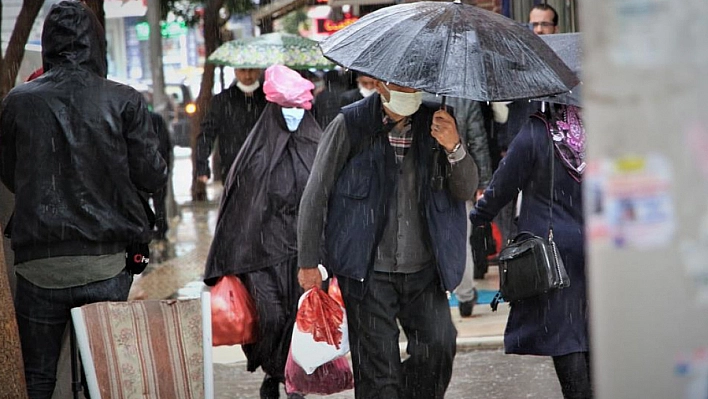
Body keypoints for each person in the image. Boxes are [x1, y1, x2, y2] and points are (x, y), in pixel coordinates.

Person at [0, 2, 167, 398]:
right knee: (104, 372)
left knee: (37, 376)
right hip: (107, 264)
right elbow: (151, 175)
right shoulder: (123, 99)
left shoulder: (18, 102)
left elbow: (10, 174)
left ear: (48, 44)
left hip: (39, 265)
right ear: (97, 43)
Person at [297, 79, 478, 399]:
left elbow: (464, 190)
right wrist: (308, 261)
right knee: (379, 372)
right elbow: (316, 193)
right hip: (367, 270)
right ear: (381, 85)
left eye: (416, 85)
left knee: (439, 347)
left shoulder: (438, 120)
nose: (412, 91)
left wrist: (454, 146)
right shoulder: (350, 123)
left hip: (423, 269)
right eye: (403, 85)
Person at [203, 65, 322, 399]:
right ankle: (276, 370)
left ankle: (291, 378)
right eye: (288, 110)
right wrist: (228, 259)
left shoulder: (318, 146)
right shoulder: (256, 153)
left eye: (298, 110)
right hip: (260, 252)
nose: (294, 116)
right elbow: (240, 208)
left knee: (299, 319)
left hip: (304, 252)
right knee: (270, 317)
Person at [469, 105, 590, 399]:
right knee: (591, 334)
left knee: (566, 338)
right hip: (597, 250)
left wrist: (479, 218)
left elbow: (502, 187)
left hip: (553, 253)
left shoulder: (537, 132)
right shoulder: (600, 132)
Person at [422, 94, 492, 316]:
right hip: (459, 175)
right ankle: (465, 293)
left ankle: (435, 294)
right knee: (460, 242)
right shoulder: (465, 99)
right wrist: (483, 183)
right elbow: (478, 141)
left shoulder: (416, 97)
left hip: (427, 181)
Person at [196, 67, 267, 184]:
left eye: (251, 70)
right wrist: (202, 166)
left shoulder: (269, 99)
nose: (248, 76)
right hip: (233, 169)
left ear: (259, 70)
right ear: (235, 71)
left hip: (265, 169)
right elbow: (207, 134)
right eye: (243, 70)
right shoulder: (222, 101)